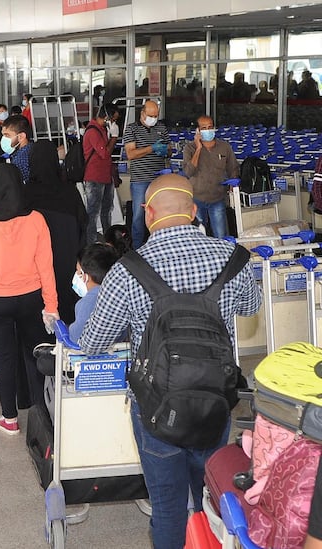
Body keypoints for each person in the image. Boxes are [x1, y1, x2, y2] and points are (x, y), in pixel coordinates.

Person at [79, 174, 262, 549]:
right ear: (194, 211)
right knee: (211, 497)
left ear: (147, 215)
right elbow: (251, 307)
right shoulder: (234, 258)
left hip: (156, 410)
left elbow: (93, 343)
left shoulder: (127, 270)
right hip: (215, 403)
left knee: (167, 508)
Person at [0, 163, 58, 435]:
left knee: (4, 359)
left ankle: (9, 419)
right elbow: (46, 266)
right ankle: (43, 414)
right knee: (38, 353)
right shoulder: (37, 219)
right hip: (31, 299)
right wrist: (51, 306)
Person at [26, 139, 87, 324]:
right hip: (67, 260)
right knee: (66, 307)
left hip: (36, 266)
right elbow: (84, 225)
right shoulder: (70, 191)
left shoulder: (25, 193)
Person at [122, 99, 170, 249]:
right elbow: (130, 154)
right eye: (150, 115)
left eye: (156, 115)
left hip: (159, 180)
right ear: (142, 114)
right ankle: (136, 249)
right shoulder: (131, 129)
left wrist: (166, 151)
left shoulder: (161, 128)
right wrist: (152, 148)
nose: (153, 119)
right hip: (140, 180)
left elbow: (168, 150)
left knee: (160, 214)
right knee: (138, 216)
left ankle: (157, 247)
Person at [182, 115, 238, 238]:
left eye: (210, 127)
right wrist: (198, 149)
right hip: (196, 198)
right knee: (199, 235)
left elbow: (233, 167)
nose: (208, 130)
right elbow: (188, 172)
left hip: (217, 198)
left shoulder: (224, 147)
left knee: (220, 235)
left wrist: (231, 184)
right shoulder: (189, 148)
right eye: (204, 128)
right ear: (198, 131)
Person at [68, 243, 119, 341]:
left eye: (78, 272)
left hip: (91, 353)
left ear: (85, 276)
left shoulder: (85, 304)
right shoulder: (118, 294)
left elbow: (75, 337)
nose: (76, 275)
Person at [83, 103, 119, 242]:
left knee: (107, 209)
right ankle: (90, 243)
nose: (114, 122)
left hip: (105, 175)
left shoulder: (102, 129)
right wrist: (114, 137)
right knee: (92, 212)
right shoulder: (93, 131)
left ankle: (108, 240)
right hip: (94, 177)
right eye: (113, 119)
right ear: (106, 117)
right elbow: (105, 153)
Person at [1, 114, 32, 183]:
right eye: (3, 135)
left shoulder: (20, 160)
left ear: (21, 137)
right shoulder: (32, 149)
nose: (3, 139)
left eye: (7, 135)